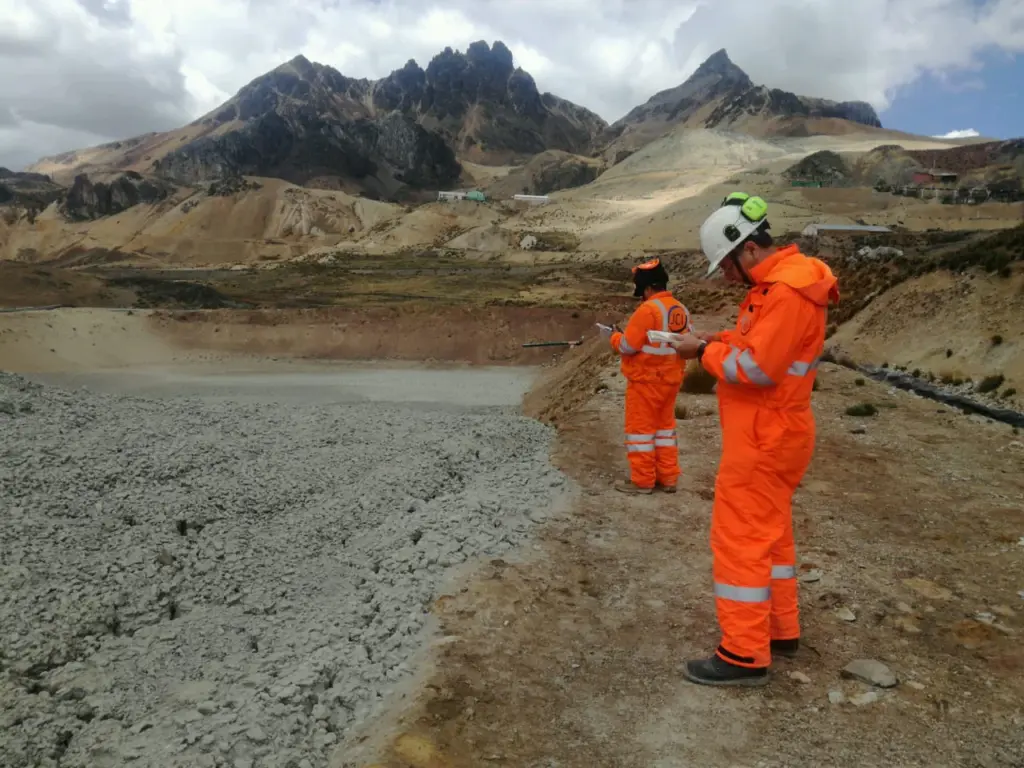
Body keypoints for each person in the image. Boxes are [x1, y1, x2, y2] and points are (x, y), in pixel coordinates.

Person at [669, 193, 839, 686]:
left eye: (724, 265)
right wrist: (716, 340)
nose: (723, 275)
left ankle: (743, 654)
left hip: (765, 436)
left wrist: (701, 352)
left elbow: (758, 368)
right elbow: (756, 345)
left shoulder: (784, 293)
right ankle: (780, 631)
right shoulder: (781, 288)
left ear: (746, 250)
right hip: (777, 433)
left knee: (740, 538)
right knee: (772, 535)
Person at [601, 257, 691, 495]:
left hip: (645, 381)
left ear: (648, 288)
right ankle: (668, 478)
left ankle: (642, 481)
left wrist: (613, 338)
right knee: (664, 431)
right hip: (671, 380)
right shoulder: (680, 309)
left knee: (640, 432)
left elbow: (628, 346)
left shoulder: (647, 310)